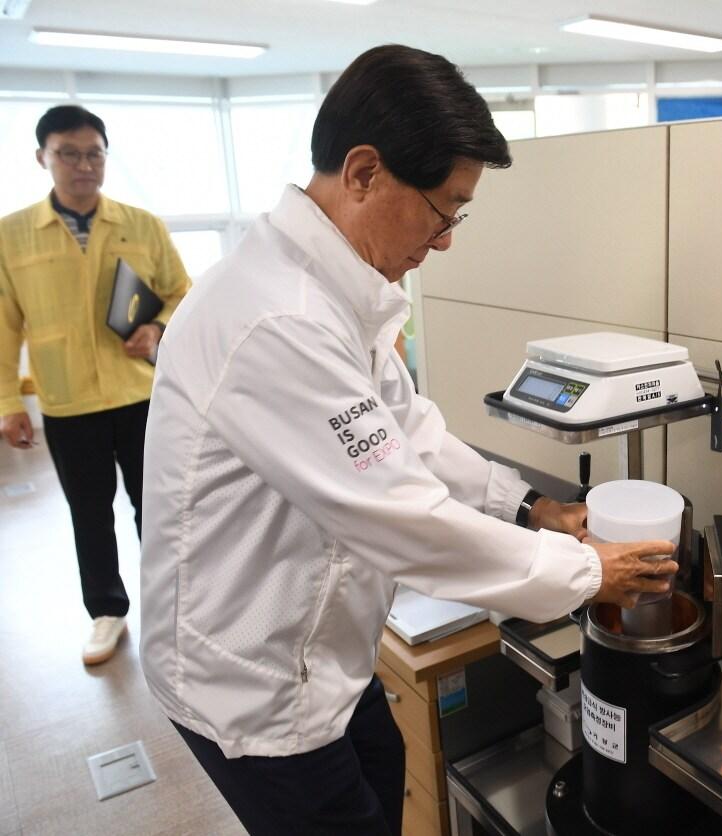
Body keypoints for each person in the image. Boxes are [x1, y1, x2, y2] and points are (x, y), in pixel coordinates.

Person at [140, 45, 676, 836]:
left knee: (383, 785)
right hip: (250, 682)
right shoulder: (277, 319)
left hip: (323, 654)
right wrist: (583, 570)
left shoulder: (336, 291)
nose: (447, 238)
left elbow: (408, 433)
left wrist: (532, 507)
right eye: (443, 208)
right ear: (363, 173)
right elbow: (399, 515)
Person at [0, 104, 191, 665]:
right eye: (69, 153)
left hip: (139, 394)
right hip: (67, 401)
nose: (83, 165)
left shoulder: (141, 224)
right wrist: (9, 400)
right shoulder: (12, 236)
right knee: (89, 511)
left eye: (94, 154)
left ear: (105, 159)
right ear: (43, 157)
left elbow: (183, 292)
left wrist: (157, 327)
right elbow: (4, 326)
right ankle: (106, 613)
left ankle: (173, 607)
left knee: (156, 506)